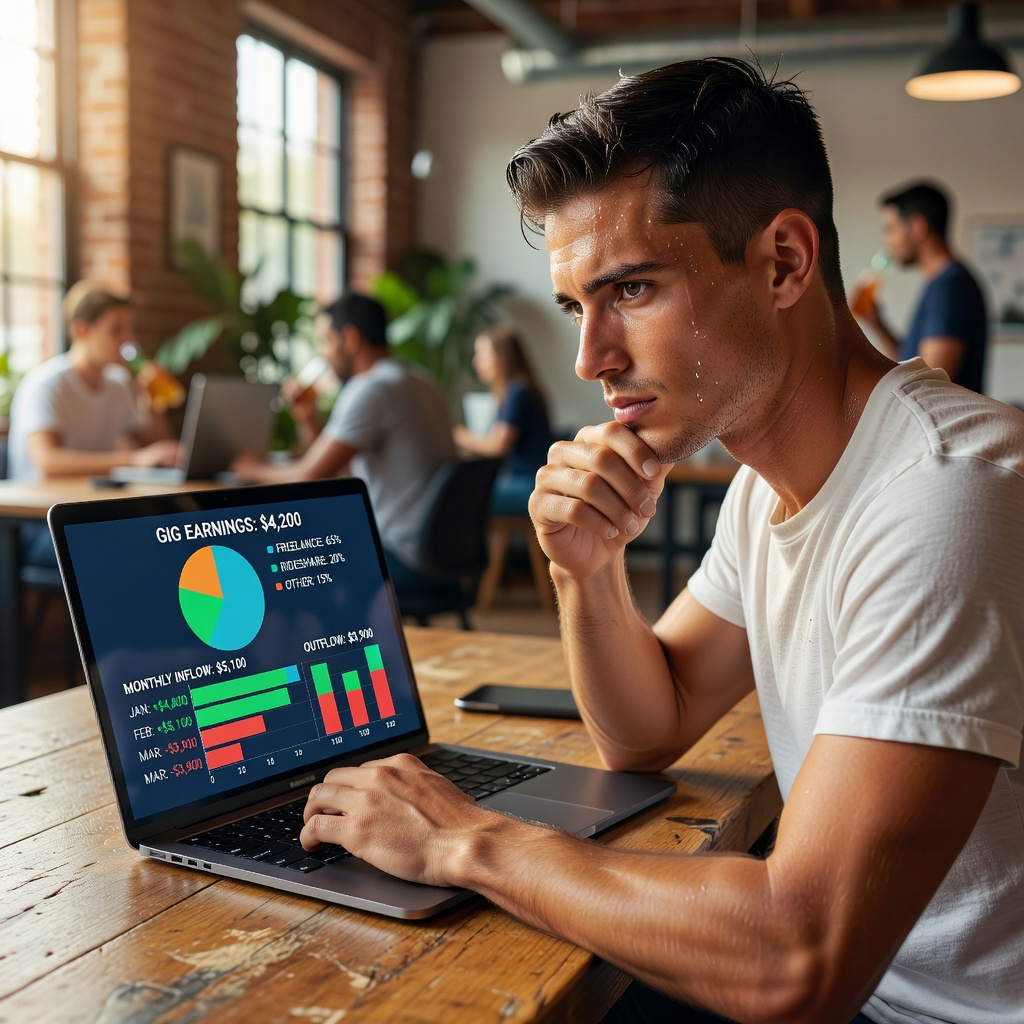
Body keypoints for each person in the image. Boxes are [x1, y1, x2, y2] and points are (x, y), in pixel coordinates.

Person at [298, 59, 1024, 1024]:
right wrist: (583, 572)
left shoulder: (945, 491)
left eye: (631, 289)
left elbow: (797, 961)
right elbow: (649, 724)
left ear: (783, 263)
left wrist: (465, 842)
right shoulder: (767, 489)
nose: (591, 356)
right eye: (575, 306)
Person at [231, 292, 456, 587]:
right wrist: (308, 417)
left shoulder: (370, 388)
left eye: (325, 341)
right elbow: (337, 469)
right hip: (444, 555)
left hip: (399, 557)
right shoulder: (421, 381)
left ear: (350, 338)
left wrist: (249, 467)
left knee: (282, 558)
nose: (323, 353)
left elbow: (310, 476)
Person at [8, 281, 179, 564]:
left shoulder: (118, 383)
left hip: (97, 515)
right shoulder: (47, 384)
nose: (129, 341)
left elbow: (152, 446)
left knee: (170, 535)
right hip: (42, 525)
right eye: (116, 330)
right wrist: (134, 460)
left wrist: (153, 400)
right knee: (142, 551)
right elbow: (49, 462)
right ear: (81, 330)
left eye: (130, 329)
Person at [851, 181, 988, 393]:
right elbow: (914, 366)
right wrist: (878, 324)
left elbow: (929, 386)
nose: (887, 242)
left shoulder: (949, 288)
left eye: (891, 230)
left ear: (918, 227)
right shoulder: (942, 283)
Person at [453, 325, 553, 516]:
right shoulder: (518, 389)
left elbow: (499, 446)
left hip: (528, 483)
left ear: (501, 357)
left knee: (461, 495)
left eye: (482, 354)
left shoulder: (518, 392)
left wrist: (460, 436)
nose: (476, 362)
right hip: (528, 480)